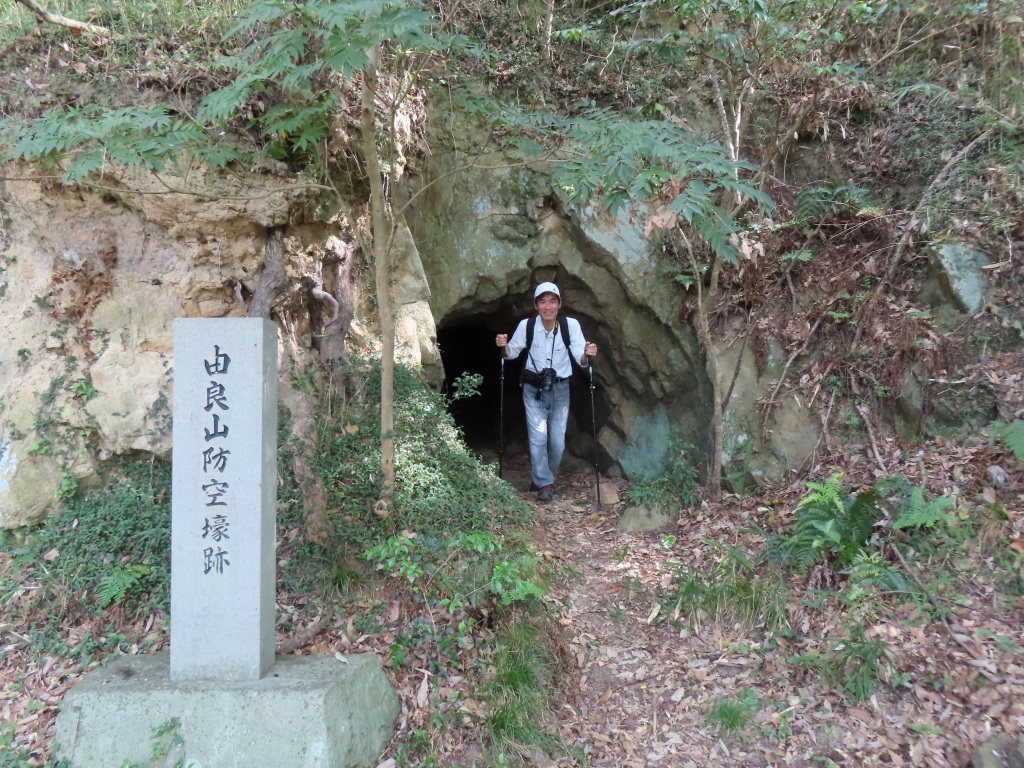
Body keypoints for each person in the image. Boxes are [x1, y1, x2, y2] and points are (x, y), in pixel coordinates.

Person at [496, 282, 598, 502]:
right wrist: (503, 345)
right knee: (538, 437)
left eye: (552, 301)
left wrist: (588, 353)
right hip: (533, 388)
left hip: (560, 388)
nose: (548, 306)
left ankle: (543, 479)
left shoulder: (570, 326)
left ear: (559, 304)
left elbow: (581, 357)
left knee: (557, 442)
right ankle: (545, 484)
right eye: (542, 301)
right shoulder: (527, 326)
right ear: (536, 306)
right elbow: (512, 353)